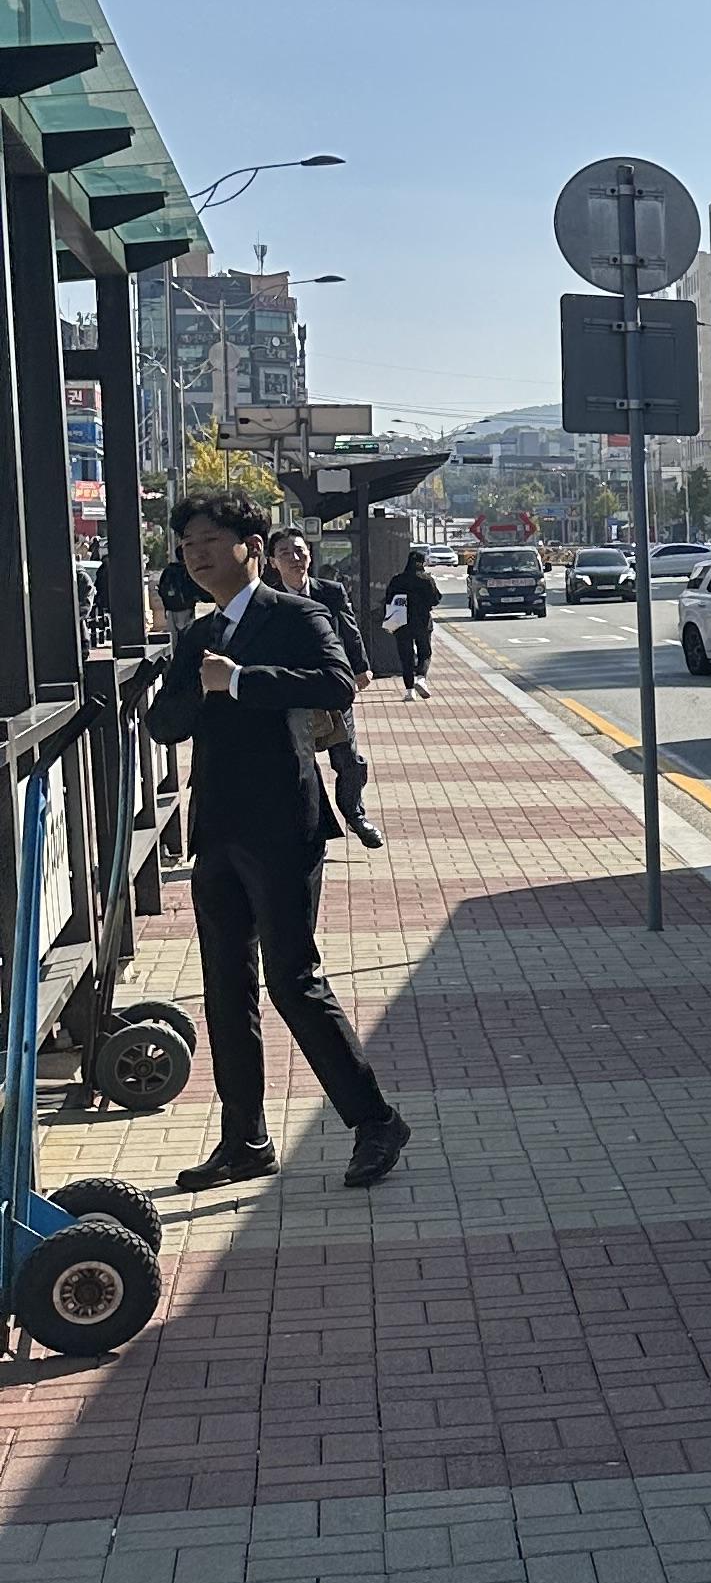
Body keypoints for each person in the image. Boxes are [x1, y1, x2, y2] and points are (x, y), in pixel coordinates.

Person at [149, 488, 410, 1192]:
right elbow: (165, 725)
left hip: (284, 825)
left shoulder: (295, 615)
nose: (196, 556)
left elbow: (336, 684)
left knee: (292, 980)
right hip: (217, 828)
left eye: (209, 541)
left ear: (252, 548)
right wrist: (195, 686)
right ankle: (245, 1140)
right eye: (187, 546)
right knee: (224, 987)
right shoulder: (199, 634)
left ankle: (375, 1120)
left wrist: (240, 681)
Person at [266, 530, 383, 850]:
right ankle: (305, 828)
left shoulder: (330, 592)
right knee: (296, 762)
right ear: (273, 562)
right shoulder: (268, 599)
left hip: (332, 687)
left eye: (300, 551)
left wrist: (360, 667)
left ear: (310, 554)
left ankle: (355, 814)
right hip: (293, 690)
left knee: (348, 759)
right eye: (285, 553)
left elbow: (350, 629)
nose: (295, 558)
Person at [381, 547, 438, 693]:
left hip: (401, 622)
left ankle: (409, 691)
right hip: (422, 622)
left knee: (406, 656)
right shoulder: (427, 580)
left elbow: (388, 599)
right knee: (424, 652)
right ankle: (421, 678)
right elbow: (435, 599)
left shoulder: (397, 580)